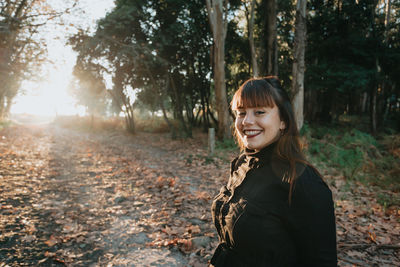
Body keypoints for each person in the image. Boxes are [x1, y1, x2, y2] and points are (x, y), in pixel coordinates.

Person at [210, 77, 337, 267]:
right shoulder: (241, 164)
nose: (246, 121)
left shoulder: (303, 183)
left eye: (259, 112)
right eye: (241, 112)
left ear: (283, 121)